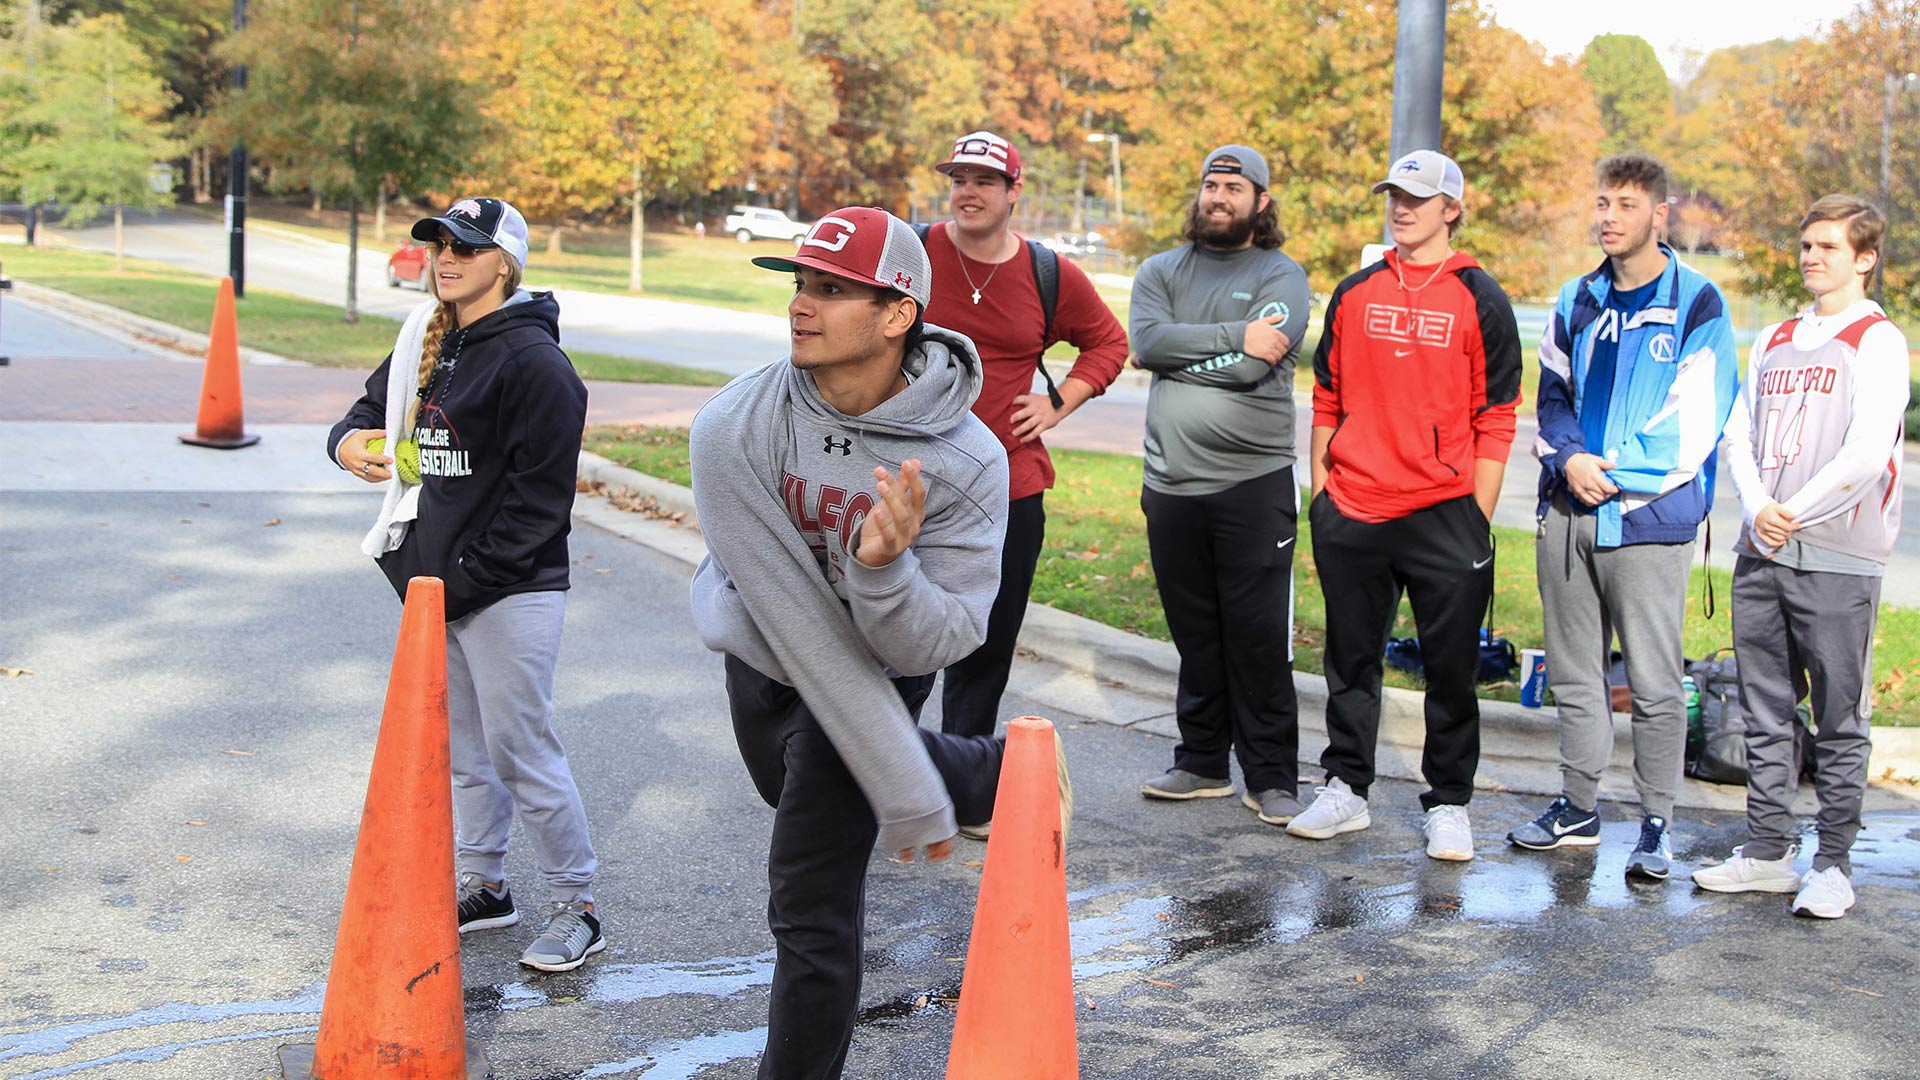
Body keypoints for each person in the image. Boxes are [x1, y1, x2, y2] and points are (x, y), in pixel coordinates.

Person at [687, 206, 1069, 1080]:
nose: (801, 305)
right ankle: (990, 769)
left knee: (808, 900)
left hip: (874, 672)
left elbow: (950, 634)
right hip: (762, 656)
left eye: (831, 289)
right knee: (791, 790)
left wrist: (885, 572)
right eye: (799, 286)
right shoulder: (734, 426)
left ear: (899, 313)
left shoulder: (968, 462)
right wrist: (898, 771)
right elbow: (777, 603)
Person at [328, 197, 604, 971]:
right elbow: (362, 411)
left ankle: (577, 904)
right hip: (435, 585)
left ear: (504, 264)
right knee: (465, 750)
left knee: (521, 747)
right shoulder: (427, 336)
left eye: (467, 248)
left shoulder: (536, 364)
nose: (446, 258)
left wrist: (465, 580)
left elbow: (539, 506)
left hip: (511, 589)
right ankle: (486, 885)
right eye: (439, 245)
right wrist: (350, 444)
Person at [1507, 153, 1740, 880]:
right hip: (1568, 510)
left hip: (1649, 520)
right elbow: (1550, 398)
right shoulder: (1576, 298)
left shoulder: (1698, 303)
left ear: (1659, 216)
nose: (1608, 216)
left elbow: (1698, 421)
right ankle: (1577, 809)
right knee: (1576, 676)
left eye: (1626, 204)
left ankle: (1657, 823)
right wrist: (1571, 461)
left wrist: (1613, 475)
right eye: (1602, 202)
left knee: (1655, 681)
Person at [1289, 150, 1522, 860]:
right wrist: (1323, 494)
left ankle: (1449, 803)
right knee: (1349, 658)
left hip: (1443, 513)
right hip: (1353, 506)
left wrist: (1474, 515)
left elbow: (1499, 414)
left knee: (1450, 668)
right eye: (1394, 194)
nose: (1402, 207)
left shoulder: (1481, 297)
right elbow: (1326, 397)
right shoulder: (1356, 291)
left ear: (1452, 207)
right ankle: (1346, 787)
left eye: (1418, 197)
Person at [1692, 195, 1908, 918]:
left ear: (1864, 257)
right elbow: (1739, 436)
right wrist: (1758, 511)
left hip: (1837, 557)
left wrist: (1795, 513)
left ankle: (1834, 864)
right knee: (1765, 710)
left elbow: (1869, 451)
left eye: (1828, 247)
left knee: (1841, 719)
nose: (1811, 256)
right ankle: (1766, 851)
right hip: (1764, 549)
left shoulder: (1877, 339)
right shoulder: (1779, 337)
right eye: (1806, 245)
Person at [918, 131, 1128, 834]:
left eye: (985, 180)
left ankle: (964, 784)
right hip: (913, 481)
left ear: (1014, 192)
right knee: (898, 637)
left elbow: (1109, 341)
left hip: (1008, 489)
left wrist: (1059, 400)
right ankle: (887, 777)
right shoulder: (914, 252)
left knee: (986, 642)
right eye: (958, 178)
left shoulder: (1047, 272)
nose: (967, 191)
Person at [1127, 145, 1311, 827]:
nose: (1218, 196)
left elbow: (1241, 372)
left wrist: (1175, 356)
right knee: (1196, 633)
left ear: (1261, 203)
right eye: (1211, 184)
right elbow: (1144, 340)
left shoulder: (1282, 274)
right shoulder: (1159, 270)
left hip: (1252, 484)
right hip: (1170, 484)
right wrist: (1234, 335)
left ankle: (1272, 776)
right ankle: (1201, 761)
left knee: (1258, 635)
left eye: (1234, 187)